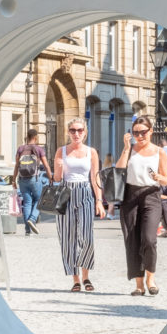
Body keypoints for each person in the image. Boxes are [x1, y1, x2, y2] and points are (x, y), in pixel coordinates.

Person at [117, 115, 167, 296]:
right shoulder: (130, 150)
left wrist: (159, 178)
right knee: (132, 239)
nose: (139, 136)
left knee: (149, 239)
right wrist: (125, 148)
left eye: (143, 132)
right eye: (136, 132)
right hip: (130, 195)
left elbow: (166, 178)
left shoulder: (159, 152)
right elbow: (119, 170)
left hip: (151, 195)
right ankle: (138, 284)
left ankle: (150, 278)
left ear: (151, 131)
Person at [52, 118, 105, 292]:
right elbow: (57, 179)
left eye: (80, 130)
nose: (76, 134)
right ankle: (75, 279)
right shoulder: (62, 151)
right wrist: (59, 168)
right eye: (73, 130)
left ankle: (86, 276)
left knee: (86, 237)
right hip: (66, 192)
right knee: (68, 237)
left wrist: (99, 201)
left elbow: (95, 177)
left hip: (85, 192)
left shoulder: (91, 152)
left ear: (85, 132)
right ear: (68, 132)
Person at [12, 128, 52, 236]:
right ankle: (33, 219)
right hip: (35, 179)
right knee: (39, 200)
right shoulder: (39, 149)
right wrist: (51, 178)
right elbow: (47, 166)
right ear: (35, 137)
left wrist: (13, 180)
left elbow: (16, 165)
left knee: (27, 202)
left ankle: (27, 230)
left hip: (22, 179)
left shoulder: (20, 149)